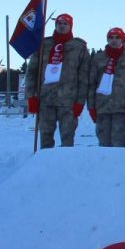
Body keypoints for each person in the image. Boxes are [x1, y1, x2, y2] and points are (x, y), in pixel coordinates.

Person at [25, 13, 90, 148]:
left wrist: (80, 101)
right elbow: (32, 73)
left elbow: (84, 77)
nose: (62, 26)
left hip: (68, 101)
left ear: (71, 26)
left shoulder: (79, 47)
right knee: (45, 137)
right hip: (45, 99)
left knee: (67, 139)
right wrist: (31, 97)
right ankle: (44, 160)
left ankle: (65, 161)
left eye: (65, 23)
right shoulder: (43, 44)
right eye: (59, 23)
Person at [87, 27, 125, 147]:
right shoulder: (97, 59)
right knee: (103, 144)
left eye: (117, 38)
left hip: (122, 109)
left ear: (122, 40)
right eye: (111, 38)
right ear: (107, 40)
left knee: (119, 145)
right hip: (102, 108)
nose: (114, 40)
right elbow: (91, 84)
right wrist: (91, 107)